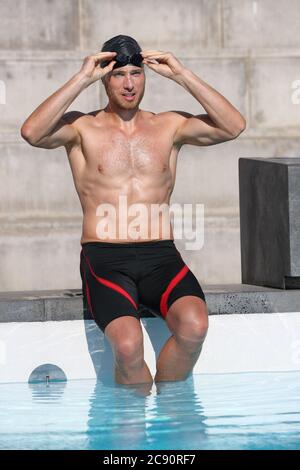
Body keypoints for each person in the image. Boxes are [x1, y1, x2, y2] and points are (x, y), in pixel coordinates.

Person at [20, 35, 246, 387]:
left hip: (161, 256)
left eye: (135, 74)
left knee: (194, 326)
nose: (128, 84)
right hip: (106, 259)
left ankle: (170, 412)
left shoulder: (169, 125)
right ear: (105, 79)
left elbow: (234, 126)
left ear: (145, 77)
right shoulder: (82, 127)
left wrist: (182, 74)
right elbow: (32, 132)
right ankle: (131, 431)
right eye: (118, 74)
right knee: (127, 347)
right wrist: (81, 77)